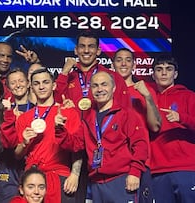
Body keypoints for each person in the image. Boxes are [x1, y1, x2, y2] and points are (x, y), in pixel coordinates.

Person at [53, 30, 131, 202]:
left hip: (105, 147)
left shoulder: (111, 77)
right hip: (74, 146)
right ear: (75, 50)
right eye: (82, 46)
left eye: (91, 47)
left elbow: (125, 114)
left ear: (98, 51)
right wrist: (64, 73)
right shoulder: (69, 76)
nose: (86, 51)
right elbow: (56, 104)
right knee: (77, 197)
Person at [55, 71, 148, 203]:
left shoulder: (126, 115)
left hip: (121, 180)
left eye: (104, 85)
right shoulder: (88, 118)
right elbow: (75, 144)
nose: (100, 89)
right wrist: (59, 129)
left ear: (113, 88)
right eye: (95, 85)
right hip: (96, 183)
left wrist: (135, 172)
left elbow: (140, 145)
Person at [15, 68, 82, 203]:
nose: (41, 87)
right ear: (31, 87)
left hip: (60, 175)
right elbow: (17, 155)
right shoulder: (24, 118)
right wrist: (24, 143)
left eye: (45, 82)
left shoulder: (68, 113)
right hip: (33, 177)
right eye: (36, 83)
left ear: (54, 85)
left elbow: (78, 147)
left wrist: (75, 174)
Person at [112, 48, 161, 203]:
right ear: (113, 64)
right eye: (119, 59)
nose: (124, 63)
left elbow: (155, 127)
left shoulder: (146, 90)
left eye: (128, 60)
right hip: (114, 162)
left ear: (134, 65)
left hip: (140, 162)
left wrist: (147, 96)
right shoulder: (106, 92)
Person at [150, 55, 195, 203]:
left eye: (168, 69)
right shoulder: (148, 99)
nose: (164, 73)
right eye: (159, 69)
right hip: (157, 170)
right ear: (153, 74)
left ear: (175, 74)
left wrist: (182, 118)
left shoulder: (188, 96)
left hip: (186, 168)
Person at [0, 68, 35, 203]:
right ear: (8, 87)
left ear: (28, 83)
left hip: (30, 162)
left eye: (21, 81)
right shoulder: (2, 110)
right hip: (8, 165)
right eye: (13, 83)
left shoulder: (37, 109)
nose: (18, 85)